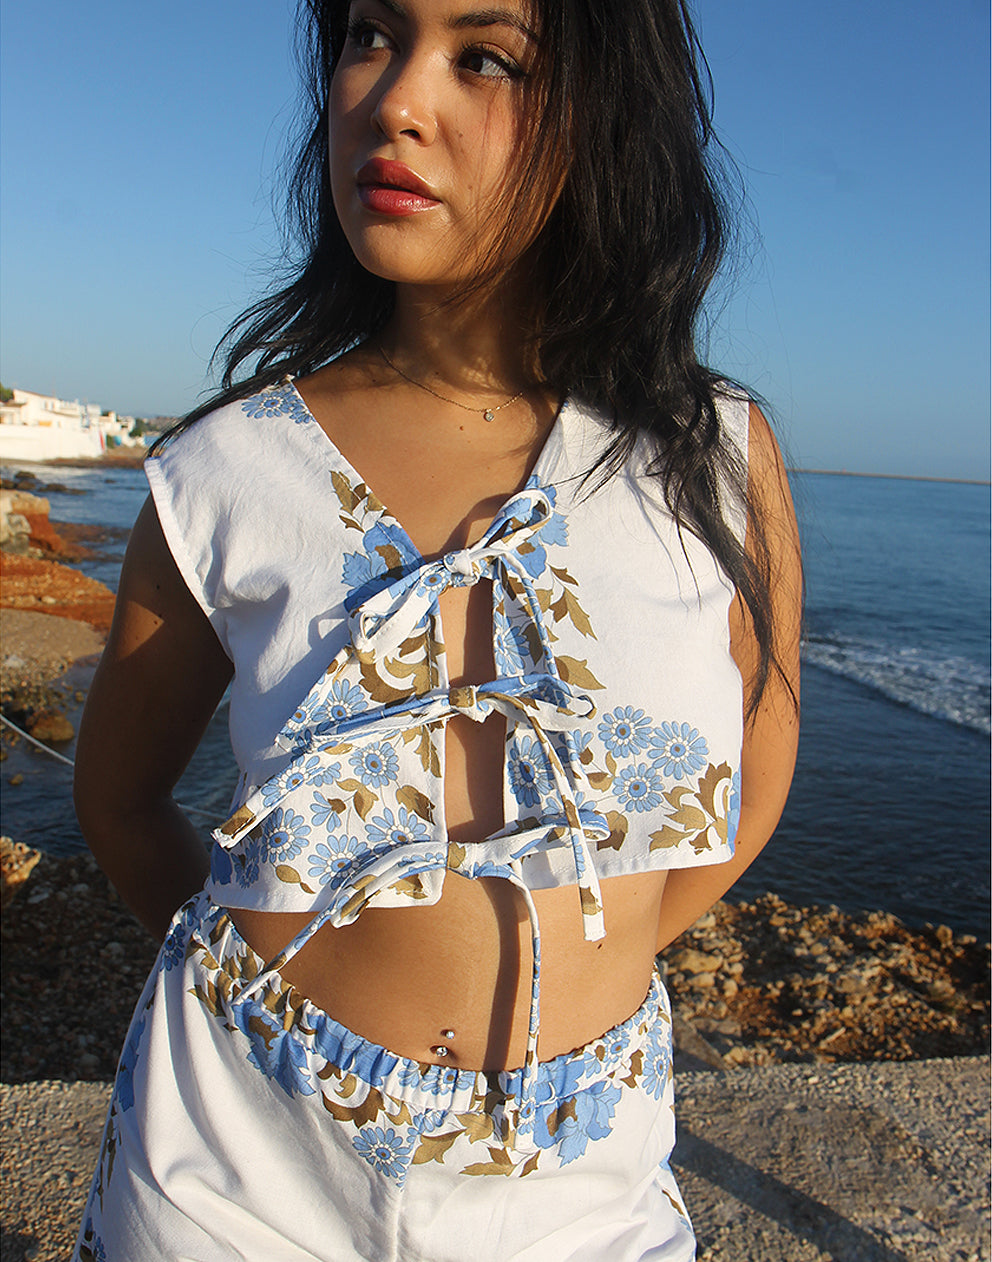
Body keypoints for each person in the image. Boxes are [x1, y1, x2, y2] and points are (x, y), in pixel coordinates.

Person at [72, 0, 801, 1257]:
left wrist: (592, 968)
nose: (395, 102)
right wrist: (269, 985)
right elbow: (121, 800)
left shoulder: (711, 456)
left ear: (603, 118)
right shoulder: (224, 470)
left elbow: (752, 780)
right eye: (368, 36)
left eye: (484, 58)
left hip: (588, 1173)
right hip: (233, 1157)